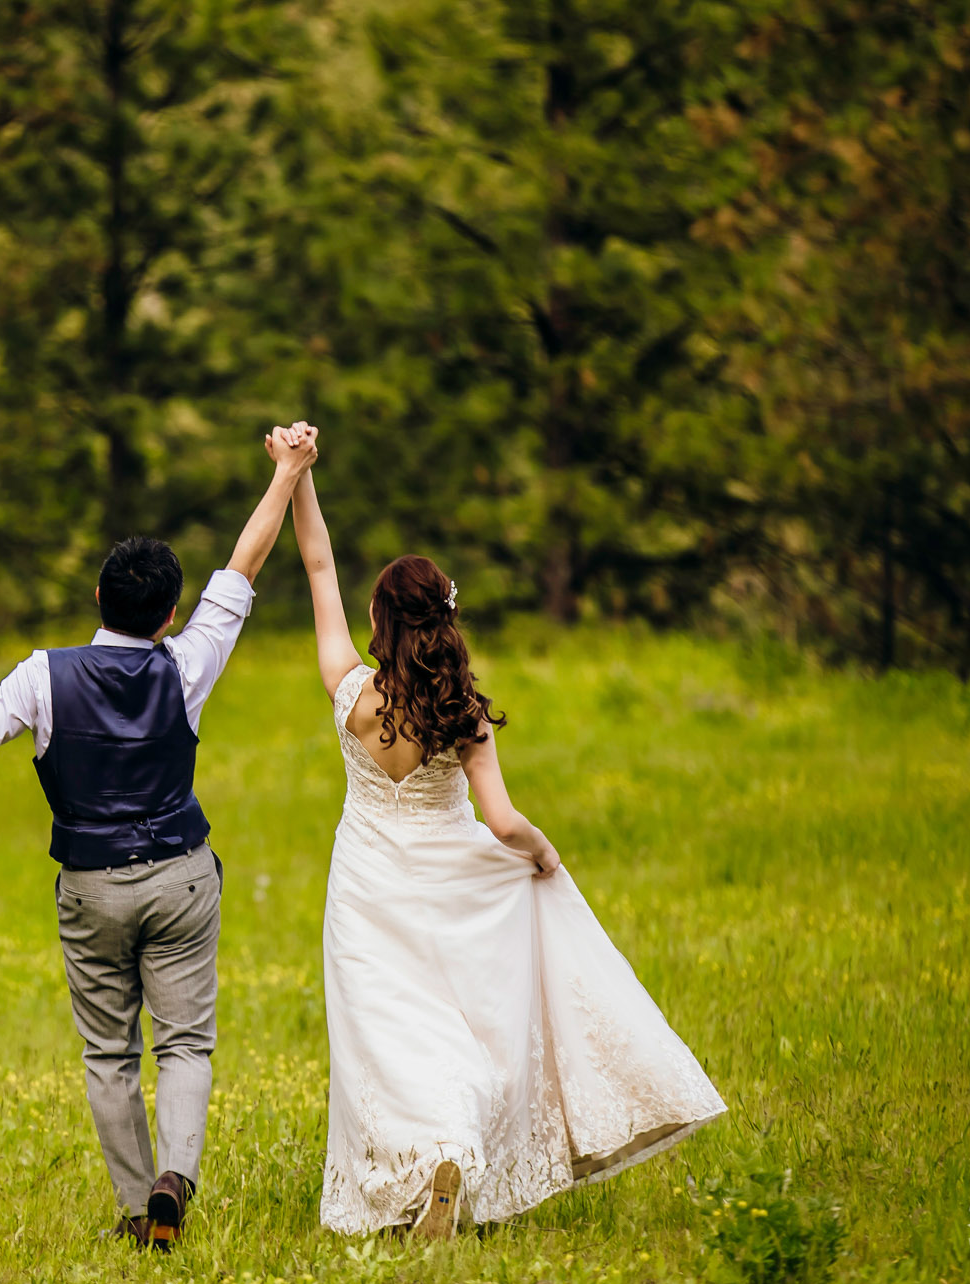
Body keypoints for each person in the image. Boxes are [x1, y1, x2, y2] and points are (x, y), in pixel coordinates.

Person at [0, 425, 321, 1250]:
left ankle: (136, 1208)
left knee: (109, 1053)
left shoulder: (41, 676)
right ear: (169, 613)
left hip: (91, 885)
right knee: (186, 1040)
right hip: (182, 876)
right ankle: (177, 1178)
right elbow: (244, 566)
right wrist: (286, 473)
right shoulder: (187, 663)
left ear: (97, 597)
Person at [282, 426, 726, 1239]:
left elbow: (317, 563)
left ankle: (428, 1155)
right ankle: (453, 1146)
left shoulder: (351, 691)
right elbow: (502, 819)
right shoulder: (465, 715)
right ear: (444, 618)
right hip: (453, 881)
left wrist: (297, 473)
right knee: (459, 1023)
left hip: (367, 884)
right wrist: (543, 855)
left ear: (380, 619)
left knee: (385, 1027)